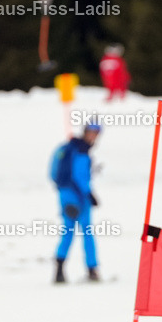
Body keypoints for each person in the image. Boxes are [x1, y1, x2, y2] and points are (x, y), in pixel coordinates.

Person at [50, 120, 102, 283]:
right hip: (77, 198)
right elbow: (79, 176)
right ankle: (91, 270)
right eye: (91, 132)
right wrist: (89, 194)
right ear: (85, 132)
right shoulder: (80, 151)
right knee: (85, 233)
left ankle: (60, 270)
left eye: (96, 133)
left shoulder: (72, 148)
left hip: (67, 197)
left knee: (69, 232)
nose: (93, 136)